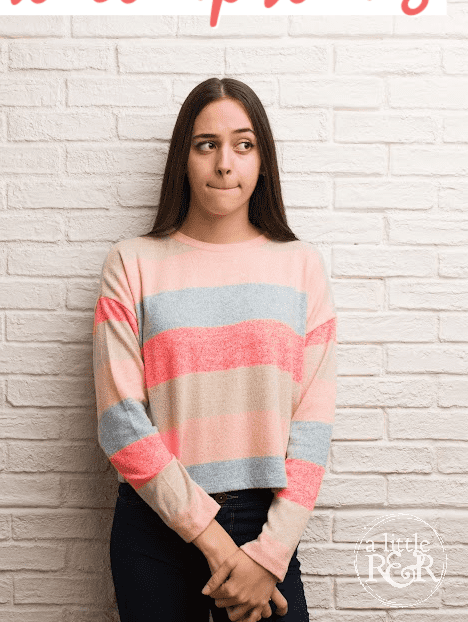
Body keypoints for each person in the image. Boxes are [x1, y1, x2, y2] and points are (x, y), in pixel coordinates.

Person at [93, 78, 337, 622]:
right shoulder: (131, 264)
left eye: (243, 144)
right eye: (207, 144)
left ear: (262, 160)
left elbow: (312, 429)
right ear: (184, 158)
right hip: (155, 525)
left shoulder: (301, 267)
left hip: (267, 525)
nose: (224, 163)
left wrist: (268, 556)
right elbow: (120, 421)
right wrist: (220, 546)